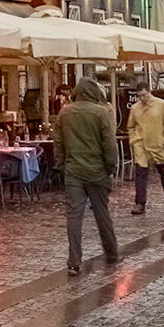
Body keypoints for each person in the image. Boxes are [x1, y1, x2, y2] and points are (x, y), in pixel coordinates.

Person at [57, 75, 120, 275]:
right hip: (97, 170)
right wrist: (111, 166)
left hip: (73, 170)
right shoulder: (102, 113)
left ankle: (74, 261)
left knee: (74, 217)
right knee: (102, 212)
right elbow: (109, 144)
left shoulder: (64, 113)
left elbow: (58, 144)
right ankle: (111, 253)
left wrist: (61, 166)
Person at [127, 85, 164, 215]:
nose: (142, 98)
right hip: (141, 145)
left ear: (150, 92)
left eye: (144, 95)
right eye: (139, 96)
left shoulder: (161, 104)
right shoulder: (135, 108)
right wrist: (134, 140)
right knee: (140, 174)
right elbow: (131, 126)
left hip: (158, 144)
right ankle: (140, 203)